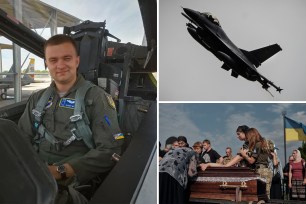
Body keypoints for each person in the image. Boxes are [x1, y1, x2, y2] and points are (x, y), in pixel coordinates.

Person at [18, 34, 124, 202]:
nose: (60, 65)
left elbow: (110, 150)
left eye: (66, 58)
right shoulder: (37, 99)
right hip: (36, 173)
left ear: (77, 61)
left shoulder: (96, 98)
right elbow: (21, 139)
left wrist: (61, 171)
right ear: (46, 64)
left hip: (72, 180)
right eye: (53, 60)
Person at [201, 128, 273, 200]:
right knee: (262, 197)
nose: (247, 138)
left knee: (264, 197)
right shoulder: (258, 143)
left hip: (262, 171)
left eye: (248, 136)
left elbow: (251, 161)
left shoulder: (258, 144)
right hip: (260, 170)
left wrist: (244, 154)